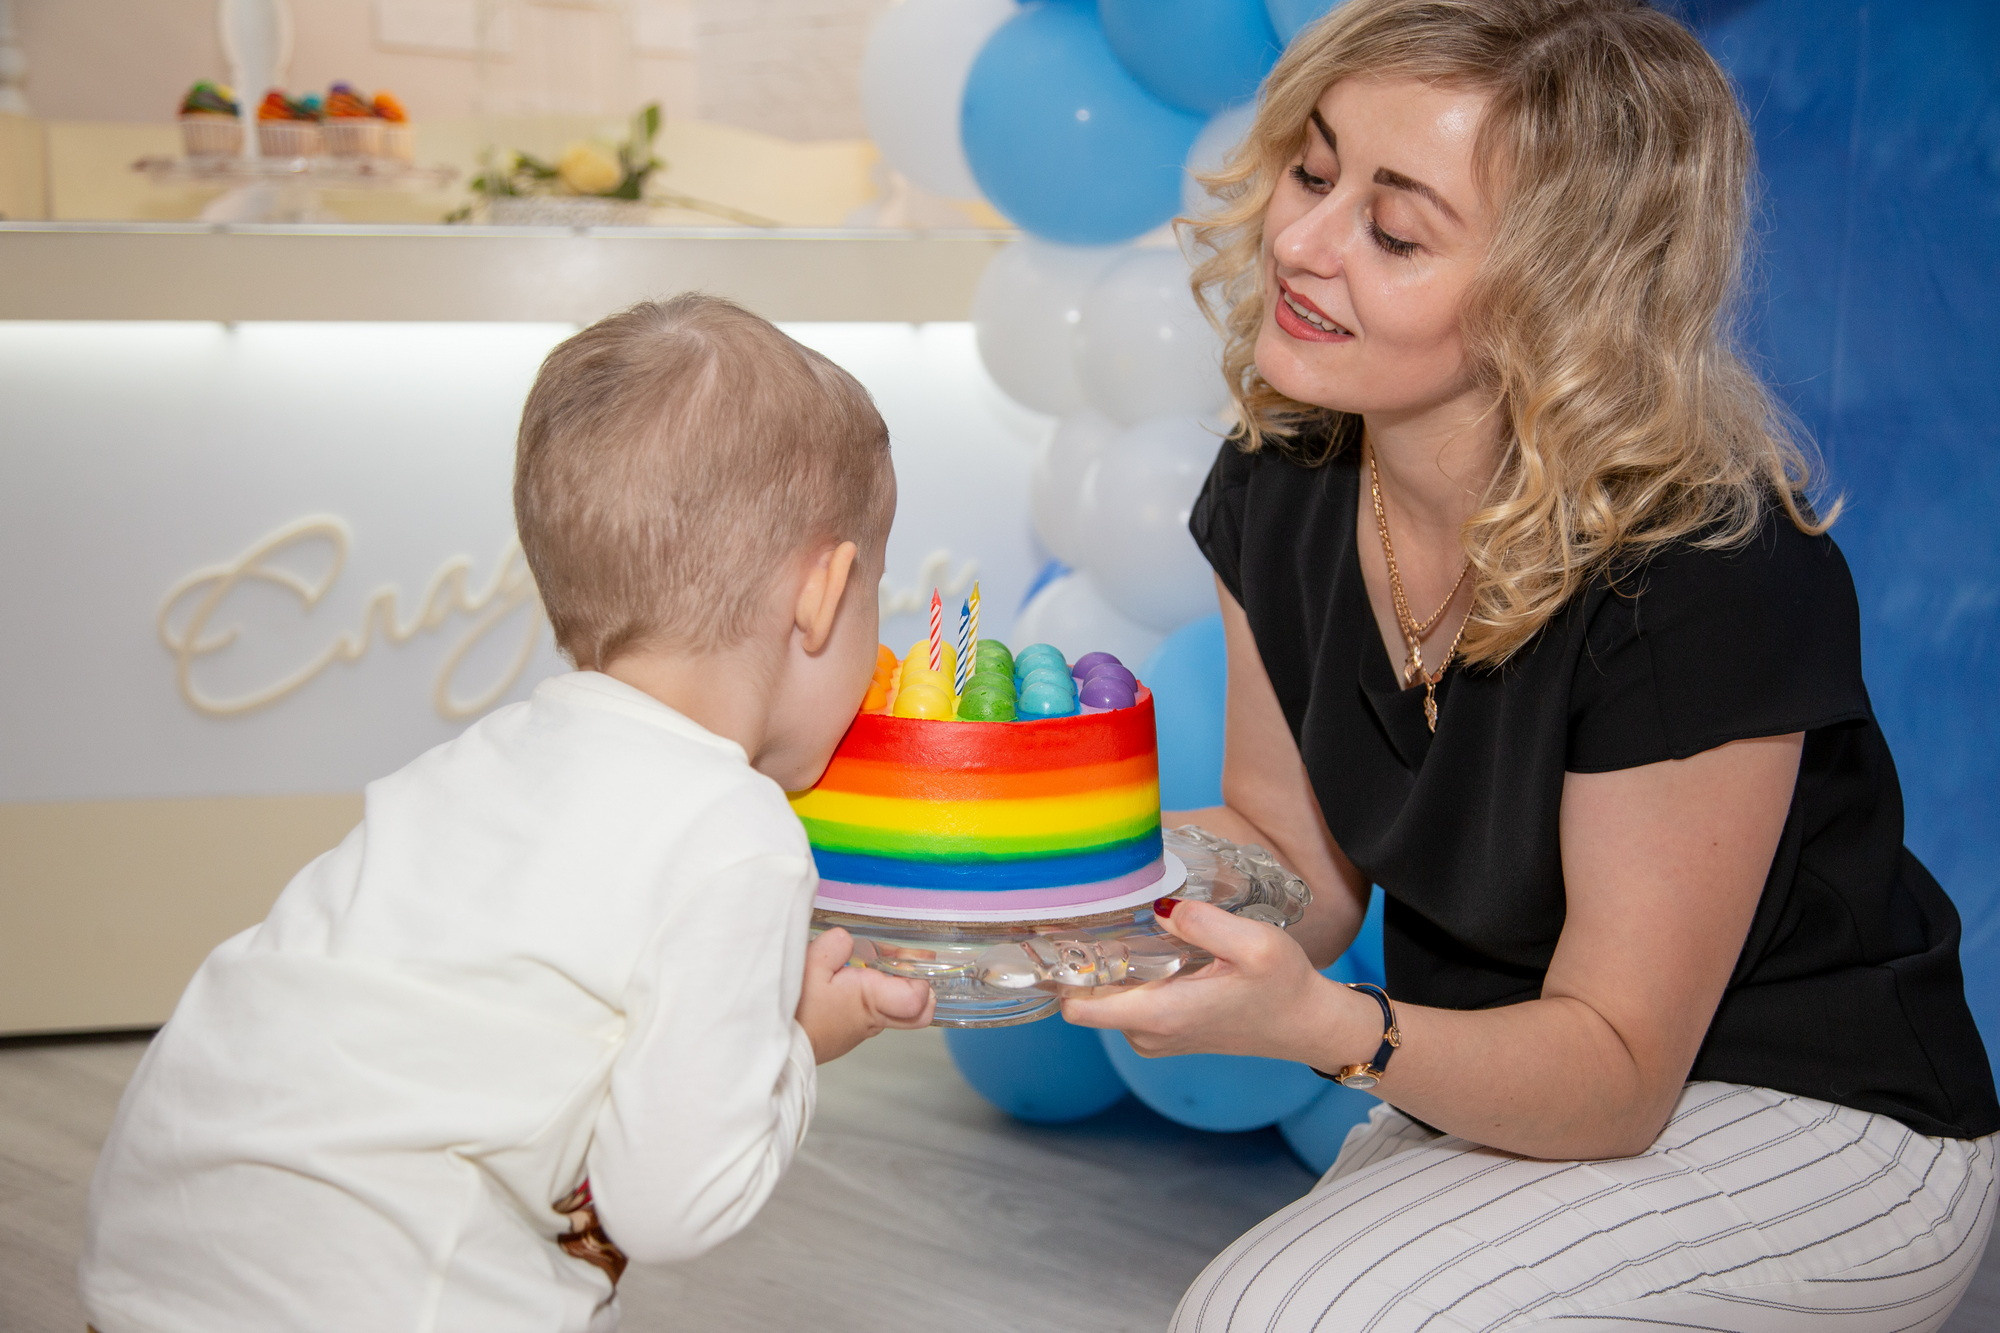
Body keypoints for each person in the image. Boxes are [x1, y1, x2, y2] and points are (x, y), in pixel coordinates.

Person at [1062, 1, 2000, 1328]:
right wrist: (1029, 875)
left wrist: (1330, 1031)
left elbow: (1616, 1071)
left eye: (1394, 229)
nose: (1301, 241)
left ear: (1558, 298)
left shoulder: (1704, 569)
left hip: (1821, 1118)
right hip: (1498, 1073)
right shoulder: (1284, 478)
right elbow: (1297, 865)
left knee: (1276, 1317)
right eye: (1314, 170)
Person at [78, 294, 934, 1333]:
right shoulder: (738, 832)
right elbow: (668, 1204)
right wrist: (791, 1046)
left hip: (152, 1253)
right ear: (823, 592)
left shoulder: (475, 763)